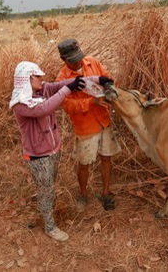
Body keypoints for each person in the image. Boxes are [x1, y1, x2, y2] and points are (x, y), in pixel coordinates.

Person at [10, 60, 102, 241]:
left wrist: (99, 79)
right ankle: (50, 227)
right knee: (46, 190)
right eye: (37, 76)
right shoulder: (21, 103)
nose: (41, 79)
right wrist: (69, 90)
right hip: (38, 156)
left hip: (53, 150)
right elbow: (46, 107)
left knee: (49, 186)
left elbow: (61, 84)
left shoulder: (40, 90)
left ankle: (48, 215)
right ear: (28, 79)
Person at [55, 38, 120, 211]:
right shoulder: (62, 78)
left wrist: (107, 83)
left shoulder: (93, 63)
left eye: (79, 57)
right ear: (63, 59)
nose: (78, 62)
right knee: (84, 163)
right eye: (73, 60)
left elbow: (108, 77)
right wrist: (91, 102)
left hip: (104, 121)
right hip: (85, 127)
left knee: (106, 157)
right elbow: (67, 106)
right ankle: (83, 194)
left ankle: (106, 193)